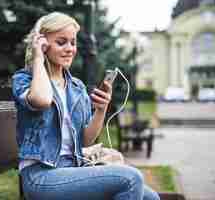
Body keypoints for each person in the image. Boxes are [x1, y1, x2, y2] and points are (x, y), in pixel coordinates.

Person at [12, 12, 160, 200]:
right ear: (42, 43)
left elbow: (85, 141)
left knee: (151, 197)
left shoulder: (76, 87)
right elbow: (42, 100)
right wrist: (38, 58)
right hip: (40, 175)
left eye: (72, 42)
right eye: (61, 42)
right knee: (131, 179)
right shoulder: (25, 79)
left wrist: (101, 109)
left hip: (72, 170)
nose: (70, 49)